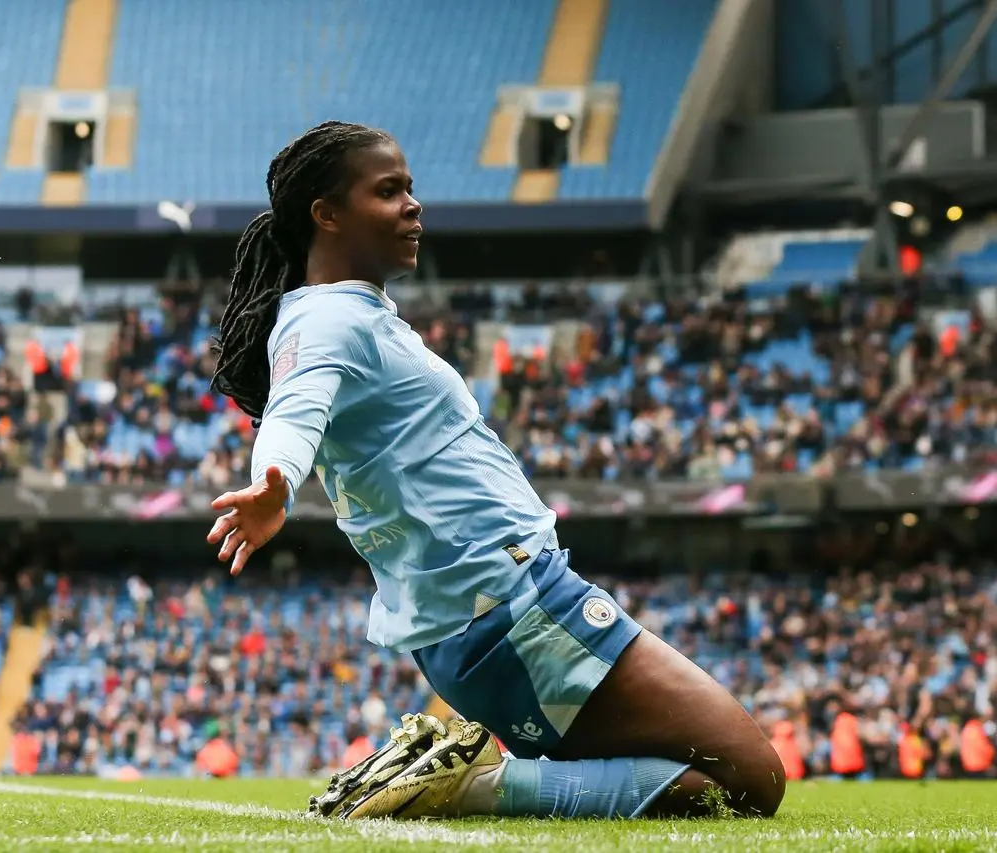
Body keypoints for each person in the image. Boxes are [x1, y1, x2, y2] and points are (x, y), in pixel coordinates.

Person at [206, 120, 786, 820]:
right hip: (514, 609)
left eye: (410, 188)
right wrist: (276, 480)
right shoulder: (327, 322)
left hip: (482, 620)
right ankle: (470, 783)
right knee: (748, 779)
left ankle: (461, 775)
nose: (413, 205)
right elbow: (296, 411)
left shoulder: (344, 313)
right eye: (388, 191)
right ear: (325, 215)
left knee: (675, 784)